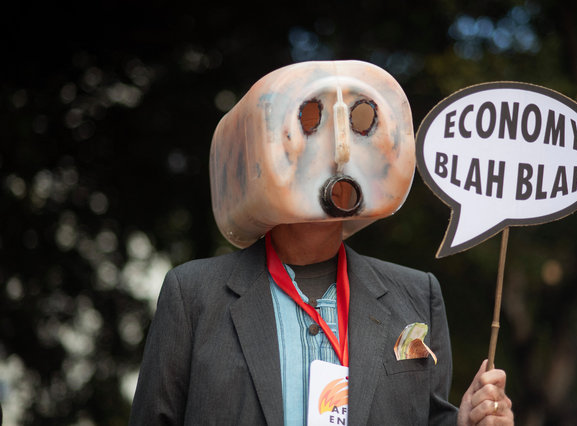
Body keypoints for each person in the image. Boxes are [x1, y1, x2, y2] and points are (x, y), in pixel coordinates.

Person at [129, 60, 514, 425]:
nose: (339, 149)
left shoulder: (416, 296)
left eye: (358, 124)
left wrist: (466, 422)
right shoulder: (194, 296)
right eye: (311, 123)